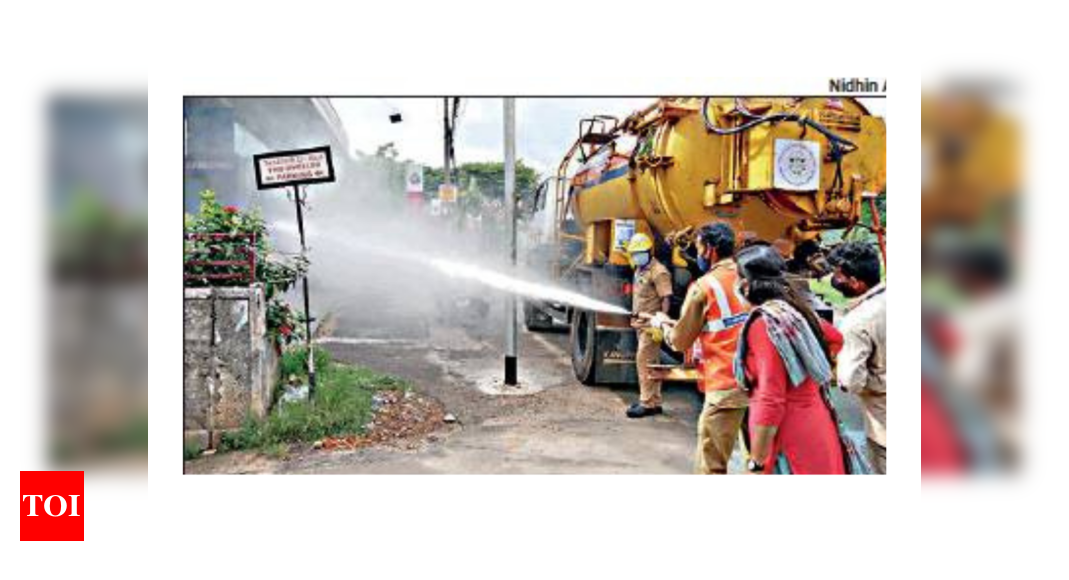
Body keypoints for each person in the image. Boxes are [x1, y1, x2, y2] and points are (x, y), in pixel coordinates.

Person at [733, 243, 846, 474]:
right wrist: (809, 374)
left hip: (789, 435)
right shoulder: (794, 310)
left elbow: (770, 399)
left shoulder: (764, 324)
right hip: (818, 422)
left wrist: (757, 462)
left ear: (746, 285)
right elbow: (835, 338)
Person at [649, 222, 750, 473]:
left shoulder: (704, 287)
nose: (697, 252)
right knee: (758, 463)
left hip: (725, 385)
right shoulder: (750, 275)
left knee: (711, 467)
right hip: (761, 384)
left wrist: (662, 324)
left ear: (710, 250)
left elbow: (680, 341)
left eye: (698, 247)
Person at [828, 241, 887, 474]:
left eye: (838, 275)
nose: (834, 279)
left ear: (855, 282)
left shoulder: (857, 321)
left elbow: (851, 381)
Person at [625, 233, 674, 418]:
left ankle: (647, 403)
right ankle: (653, 401)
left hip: (651, 325)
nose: (637, 256)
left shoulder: (658, 271)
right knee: (650, 363)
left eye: (640, 252)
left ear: (649, 251)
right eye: (634, 253)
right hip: (640, 324)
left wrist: (661, 323)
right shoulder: (639, 268)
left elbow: (666, 298)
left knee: (645, 362)